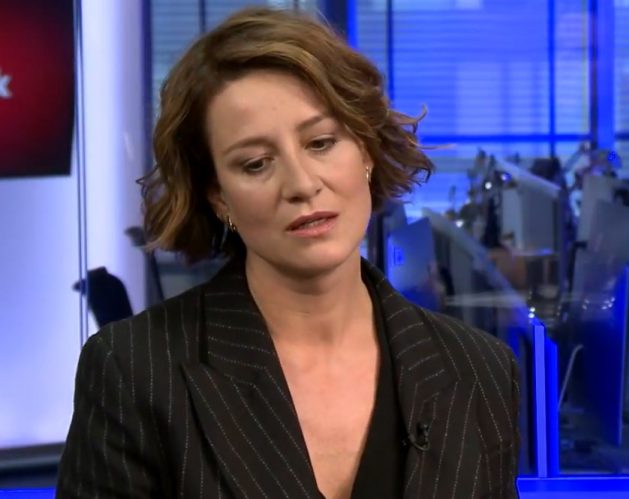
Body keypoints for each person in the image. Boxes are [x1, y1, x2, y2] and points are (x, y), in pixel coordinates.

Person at [56, 7, 520, 499]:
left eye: (321, 143)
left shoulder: (479, 370)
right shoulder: (134, 373)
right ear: (219, 197)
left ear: (364, 150)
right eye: (256, 164)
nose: (301, 184)